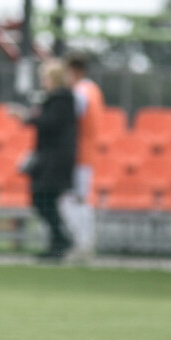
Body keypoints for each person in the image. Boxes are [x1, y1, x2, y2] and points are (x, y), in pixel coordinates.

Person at [16, 59, 77, 260]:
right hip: (49, 160)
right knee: (44, 201)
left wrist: (30, 117)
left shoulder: (62, 99)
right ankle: (58, 243)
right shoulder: (54, 99)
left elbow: (50, 123)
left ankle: (60, 242)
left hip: (55, 161)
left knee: (45, 200)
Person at [61, 52, 103, 259]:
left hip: (79, 154)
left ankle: (82, 244)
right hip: (86, 153)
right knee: (79, 200)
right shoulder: (93, 90)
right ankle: (84, 244)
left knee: (75, 200)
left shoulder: (80, 92)